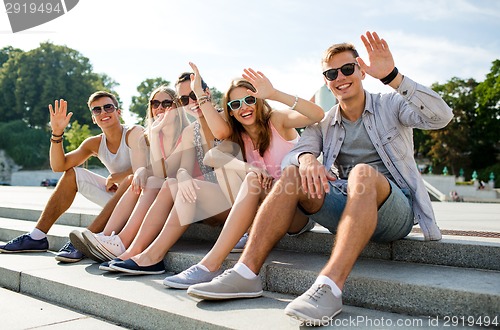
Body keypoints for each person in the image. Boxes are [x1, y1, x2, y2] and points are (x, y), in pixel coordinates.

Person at [185, 31, 453, 326]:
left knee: (363, 173)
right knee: (291, 174)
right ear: (326, 80)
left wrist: (392, 76)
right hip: (346, 206)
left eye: (347, 69)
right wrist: (307, 159)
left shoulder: (390, 104)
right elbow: (295, 152)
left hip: (394, 210)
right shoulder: (326, 122)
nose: (340, 77)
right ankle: (246, 274)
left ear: (362, 71)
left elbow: (441, 117)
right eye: (331, 73)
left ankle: (329, 286)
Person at [162, 67, 324, 288]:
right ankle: (241, 237)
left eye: (249, 100)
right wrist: (247, 167)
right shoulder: (240, 135)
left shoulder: (276, 120)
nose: (244, 108)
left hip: (297, 211)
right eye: (235, 104)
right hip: (267, 208)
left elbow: (317, 115)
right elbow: (213, 154)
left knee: (247, 177)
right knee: (229, 165)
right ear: (230, 110)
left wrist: (274, 94)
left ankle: (209, 265)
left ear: (258, 100)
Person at [90, 66, 231, 273]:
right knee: (166, 183)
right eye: (184, 100)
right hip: (201, 199)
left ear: (206, 93)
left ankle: (143, 252)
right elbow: (175, 171)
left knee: (161, 182)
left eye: (195, 95)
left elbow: (222, 139)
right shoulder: (192, 130)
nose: (191, 102)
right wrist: (180, 172)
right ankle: (131, 249)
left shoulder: (224, 118)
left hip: (232, 199)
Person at [0, 92, 144, 263]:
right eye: (97, 110)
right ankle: (37, 236)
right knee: (72, 174)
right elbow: (59, 166)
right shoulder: (95, 143)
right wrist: (57, 132)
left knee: (128, 181)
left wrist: (117, 176)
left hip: (144, 200)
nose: (103, 113)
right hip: (120, 200)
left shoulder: (135, 132)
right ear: (93, 118)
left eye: (108, 107)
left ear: (118, 112)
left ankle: (82, 241)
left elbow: (147, 166)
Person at [70, 86, 190, 262]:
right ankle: (107, 236)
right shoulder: (155, 134)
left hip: (186, 190)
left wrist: (143, 169)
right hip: (167, 188)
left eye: (166, 103)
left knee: (152, 183)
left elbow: (168, 169)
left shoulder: (185, 132)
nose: (160, 108)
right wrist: (141, 170)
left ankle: (120, 241)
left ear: (177, 107)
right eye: (155, 103)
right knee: (141, 182)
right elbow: (157, 168)